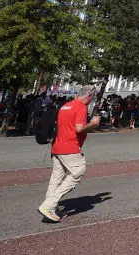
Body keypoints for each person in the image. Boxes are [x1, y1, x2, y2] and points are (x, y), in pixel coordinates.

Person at [38, 85, 102, 222]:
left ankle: (50, 208)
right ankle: (48, 205)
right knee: (78, 172)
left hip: (57, 147)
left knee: (56, 179)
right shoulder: (81, 107)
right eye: (93, 97)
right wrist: (93, 123)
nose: (92, 100)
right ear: (89, 95)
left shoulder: (65, 106)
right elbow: (79, 128)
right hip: (70, 147)